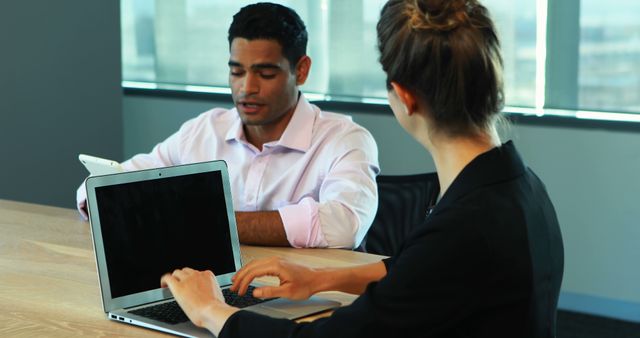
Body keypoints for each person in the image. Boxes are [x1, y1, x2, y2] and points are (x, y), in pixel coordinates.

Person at [160, 0, 565, 337]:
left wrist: (210, 311)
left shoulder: (465, 227)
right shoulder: (519, 186)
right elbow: (417, 271)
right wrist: (321, 278)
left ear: (404, 97)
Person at [76, 3, 380, 249]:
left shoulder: (345, 139)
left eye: (265, 74)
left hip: (301, 297)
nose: (247, 88)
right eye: (237, 72)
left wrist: (206, 222)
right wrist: (103, 197)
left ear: (300, 71)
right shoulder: (205, 129)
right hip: (214, 287)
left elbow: (343, 226)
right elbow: (120, 179)